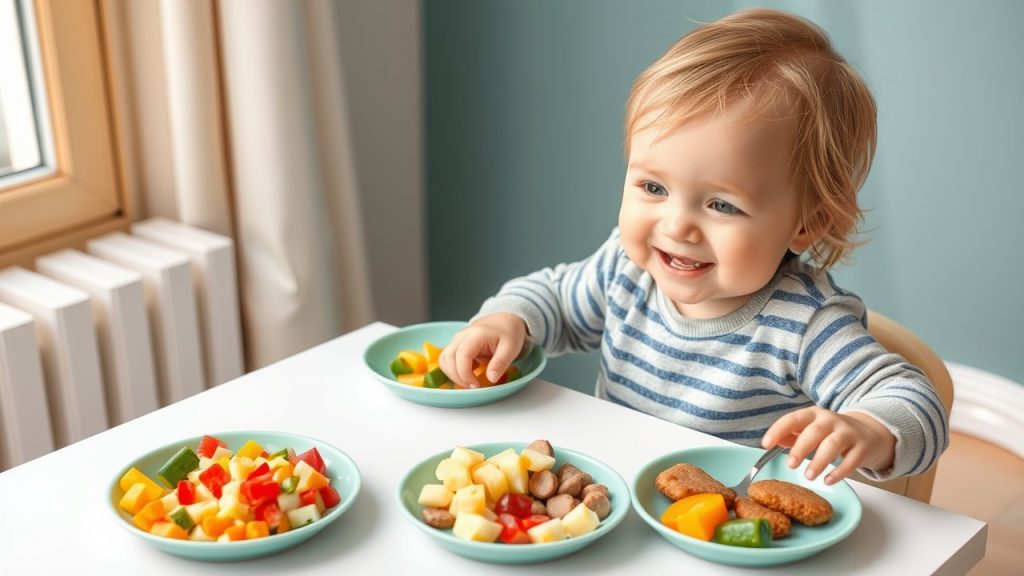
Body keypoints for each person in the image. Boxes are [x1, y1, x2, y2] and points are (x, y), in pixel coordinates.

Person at [438, 8, 948, 485]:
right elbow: (555, 301)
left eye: (723, 205)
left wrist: (868, 430)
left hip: (722, 532)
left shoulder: (804, 324)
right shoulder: (625, 268)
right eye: (653, 188)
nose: (676, 226)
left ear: (805, 225)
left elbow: (916, 405)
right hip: (613, 497)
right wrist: (507, 320)